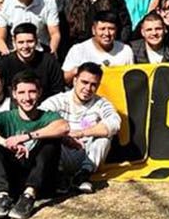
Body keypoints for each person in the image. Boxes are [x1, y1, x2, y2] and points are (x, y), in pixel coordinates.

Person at [0, 71, 71, 219]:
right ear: (14, 94)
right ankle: (2, 197)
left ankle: (29, 196)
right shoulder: (6, 116)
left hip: (40, 179)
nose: (27, 98)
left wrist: (26, 136)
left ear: (39, 93)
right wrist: (6, 143)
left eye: (32, 92)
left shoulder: (47, 116)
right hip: (13, 177)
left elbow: (63, 127)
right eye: (21, 92)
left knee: (51, 140)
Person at [40, 63, 121, 194]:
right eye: (84, 82)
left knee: (106, 136)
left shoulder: (101, 103)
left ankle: (83, 175)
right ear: (75, 80)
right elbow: (39, 119)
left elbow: (115, 122)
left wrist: (82, 133)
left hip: (88, 153)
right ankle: (59, 176)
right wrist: (65, 137)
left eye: (93, 84)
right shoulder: (59, 100)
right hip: (62, 151)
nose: (88, 88)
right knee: (47, 138)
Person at [0, 23, 65, 101]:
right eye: (21, 42)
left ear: (36, 41)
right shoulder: (4, 63)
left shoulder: (49, 61)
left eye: (30, 41)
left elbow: (58, 91)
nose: (25, 46)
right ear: (14, 42)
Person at [62, 11, 134, 80]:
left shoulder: (125, 50)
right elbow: (65, 79)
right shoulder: (78, 50)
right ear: (93, 30)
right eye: (102, 29)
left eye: (111, 29)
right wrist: (80, 70)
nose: (107, 33)